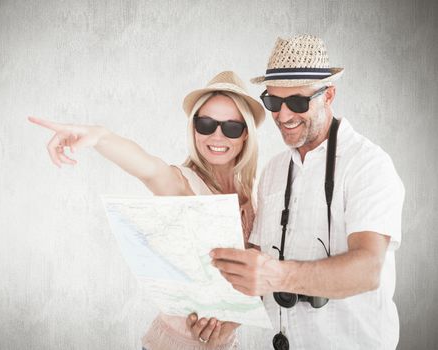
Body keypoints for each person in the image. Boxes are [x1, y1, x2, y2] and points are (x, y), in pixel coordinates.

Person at [28, 71, 266, 349]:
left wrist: (228, 326)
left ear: (245, 133)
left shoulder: (251, 195)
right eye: (206, 124)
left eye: (231, 127)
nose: (217, 135)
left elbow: (258, 276)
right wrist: (99, 137)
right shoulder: (184, 182)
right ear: (194, 128)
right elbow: (150, 169)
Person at [210, 35, 405, 349]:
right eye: (273, 102)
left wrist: (279, 276)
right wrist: (224, 317)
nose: (283, 116)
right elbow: (259, 262)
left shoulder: (369, 165)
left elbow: (369, 269)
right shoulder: (274, 170)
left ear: (329, 95)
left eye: (297, 102)